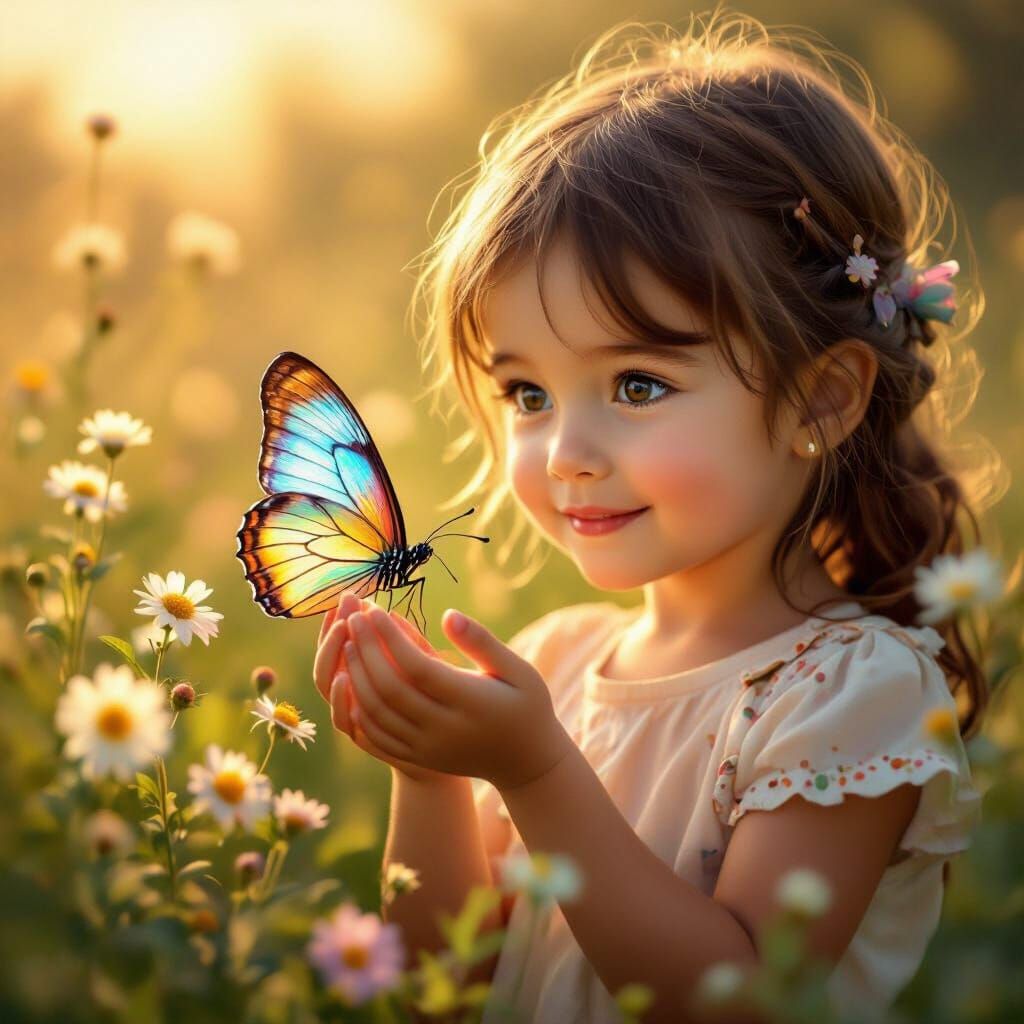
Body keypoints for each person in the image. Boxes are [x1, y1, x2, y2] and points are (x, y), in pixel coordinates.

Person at [311, 9, 991, 1022]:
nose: (564, 453)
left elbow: (738, 1000)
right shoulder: (558, 663)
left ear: (821, 400)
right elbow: (437, 988)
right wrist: (431, 776)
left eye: (636, 385)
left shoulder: (856, 695)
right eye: (527, 394)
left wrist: (536, 771)